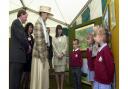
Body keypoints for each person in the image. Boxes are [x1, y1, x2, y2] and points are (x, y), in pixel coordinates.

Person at [30, 6, 53, 89]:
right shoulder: (38, 24)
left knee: (43, 77)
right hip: (39, 56)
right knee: (39, 77)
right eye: (47, 14)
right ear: (43, 13)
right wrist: (44, 59)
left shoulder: (43, 23)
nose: (48, 16)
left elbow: (45, 42)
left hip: (43, 54)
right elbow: (39, 43)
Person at [9, 9, 30, 89]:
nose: (26, 19)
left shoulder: (18, 24)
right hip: (16, 57)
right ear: (21, 14)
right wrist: (28, 46)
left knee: (16, 80)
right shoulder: (16, 23)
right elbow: (22, 38)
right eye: (25, 17)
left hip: (18, 58)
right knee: (14, 81)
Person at [52, 25, 68, 89]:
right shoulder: (53, 38)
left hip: (63, 57)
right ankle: (58, 86)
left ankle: (61, 87)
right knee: (56, 72)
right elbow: (53, 47)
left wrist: (62, 53)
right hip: (56, 57)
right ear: (56, 30)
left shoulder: (65, 37)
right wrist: (58, 54)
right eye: (58, 29)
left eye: (61, 29)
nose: (60, 30)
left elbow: (66, 46)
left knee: (62, 72)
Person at [21, 22, 34, 89]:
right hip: (24, 57)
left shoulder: (31, 37)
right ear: (27, 28)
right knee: (24, 73)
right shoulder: (24, 35)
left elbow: (33, 46)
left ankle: (27, 87)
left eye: (31, 27)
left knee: (28, 74)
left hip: (30, 58)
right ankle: (22, 86)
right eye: (29, 27)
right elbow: (22, 45)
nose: (31, 28)